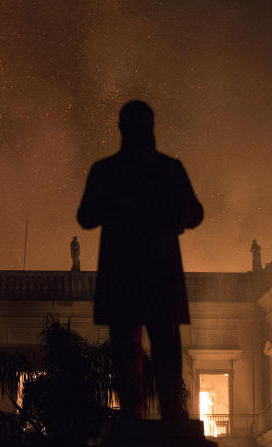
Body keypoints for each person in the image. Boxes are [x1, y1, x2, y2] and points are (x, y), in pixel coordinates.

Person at [77, 100, 203, 422]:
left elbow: (194, 213)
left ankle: (160, 412)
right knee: (140, 349)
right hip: (142, 272)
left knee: (153, 348)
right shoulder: (163, 169)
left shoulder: (112, 170)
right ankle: (156, 413)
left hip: (135, 273)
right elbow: (87, 215)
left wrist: (167, 212)